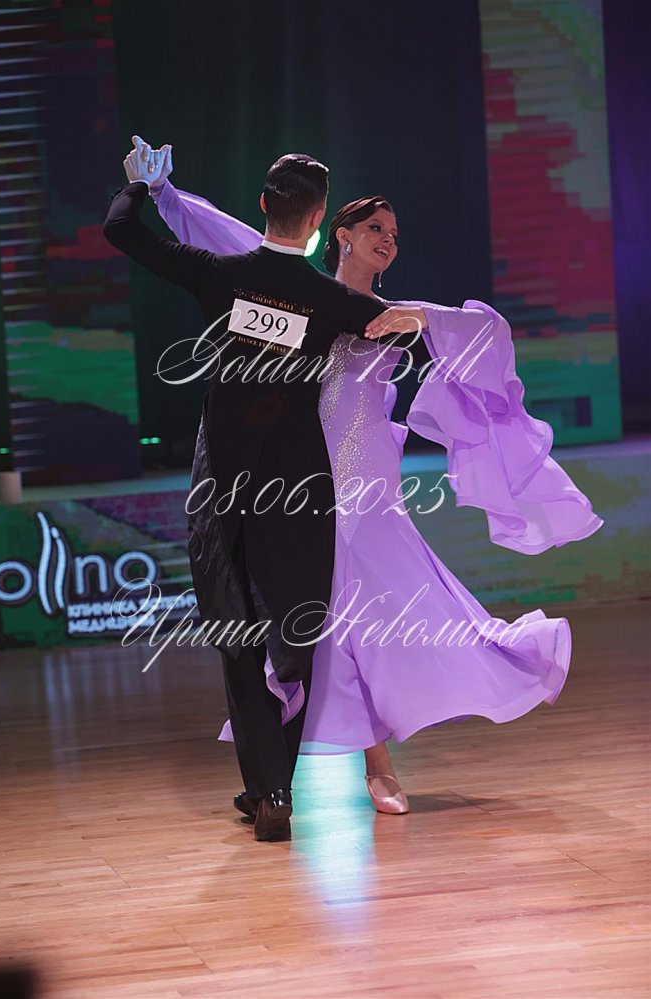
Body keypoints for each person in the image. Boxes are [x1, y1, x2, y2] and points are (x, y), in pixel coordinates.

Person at [136, 137, 603, 817]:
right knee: (311, 622)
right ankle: (297, 774)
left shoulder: (393, 313)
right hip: (301, 477)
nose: (389, 241)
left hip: (368, 486)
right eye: (377, 228)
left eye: (395, 234)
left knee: (381, 617)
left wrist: (426, 319)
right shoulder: (302, 291)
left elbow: (484, 338)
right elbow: (227, 237)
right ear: (340, 233)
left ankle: (365, 764)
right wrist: (163, 194)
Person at [103, 144, 428, 841]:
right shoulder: (329, 298)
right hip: (301, 488)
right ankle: (271, 783)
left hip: (226, 482)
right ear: (317, 220)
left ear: (262, 207)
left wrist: (139, 187)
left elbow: (121, 231)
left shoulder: (220, 274)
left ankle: (271, 788)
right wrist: (421, 320)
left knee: (238, 630)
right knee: (295, 635)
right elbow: (399, 332)